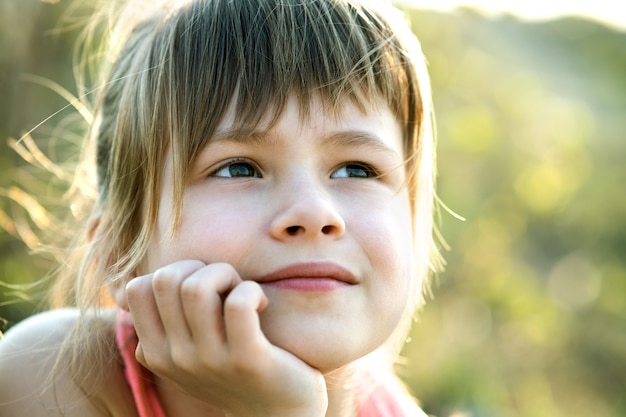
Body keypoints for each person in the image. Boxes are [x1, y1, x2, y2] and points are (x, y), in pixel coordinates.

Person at [0, 0, 440, 415]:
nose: (313, 213)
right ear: (120, 252)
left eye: (357, 170)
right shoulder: (52, 380)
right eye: (239, 168)